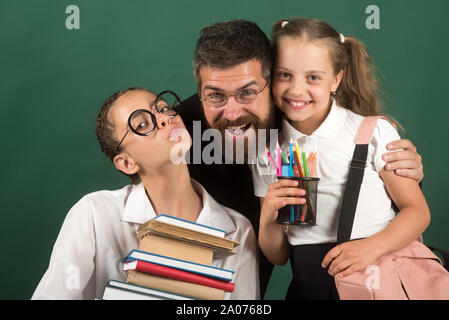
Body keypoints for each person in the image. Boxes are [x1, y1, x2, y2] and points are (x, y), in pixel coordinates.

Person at [179, 19, 425, 297]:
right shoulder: (189, 132)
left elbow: (407, 207)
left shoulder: (352, 125)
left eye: (247, 92)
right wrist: (270, 216)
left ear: (268, 81)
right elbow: (277, 252)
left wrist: (401, 169)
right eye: (215, 96)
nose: (233, 112)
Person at [252, 17, 430, 300]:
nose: (296, 90)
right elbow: (278, 255)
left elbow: (417, 212)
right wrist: (268, 219)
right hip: (309, 286)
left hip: (376, 279)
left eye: (313, 77)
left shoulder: (372, 132)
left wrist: (371, 247)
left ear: (336, 79)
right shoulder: (267, 152)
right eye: (284, 75)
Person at [32, 87, 259, 300]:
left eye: (162, 108)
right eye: (142, 125)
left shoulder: (238, 232)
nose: (164, 118)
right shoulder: (94, 214)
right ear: (127, 163)